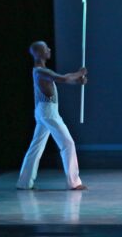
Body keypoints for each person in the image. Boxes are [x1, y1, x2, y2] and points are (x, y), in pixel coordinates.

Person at [16, 41, 87, 190]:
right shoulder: (40, 71)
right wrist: (79, 73)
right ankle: (74, 182)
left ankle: (24, 182)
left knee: (36, 147)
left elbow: (61, 80)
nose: (49, 49)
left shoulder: (42, 71)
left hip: (45, 111)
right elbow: (62, 78)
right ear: (39, 53)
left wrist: (78, 82)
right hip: (48, 112)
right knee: (67, 143)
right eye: (45, 48)